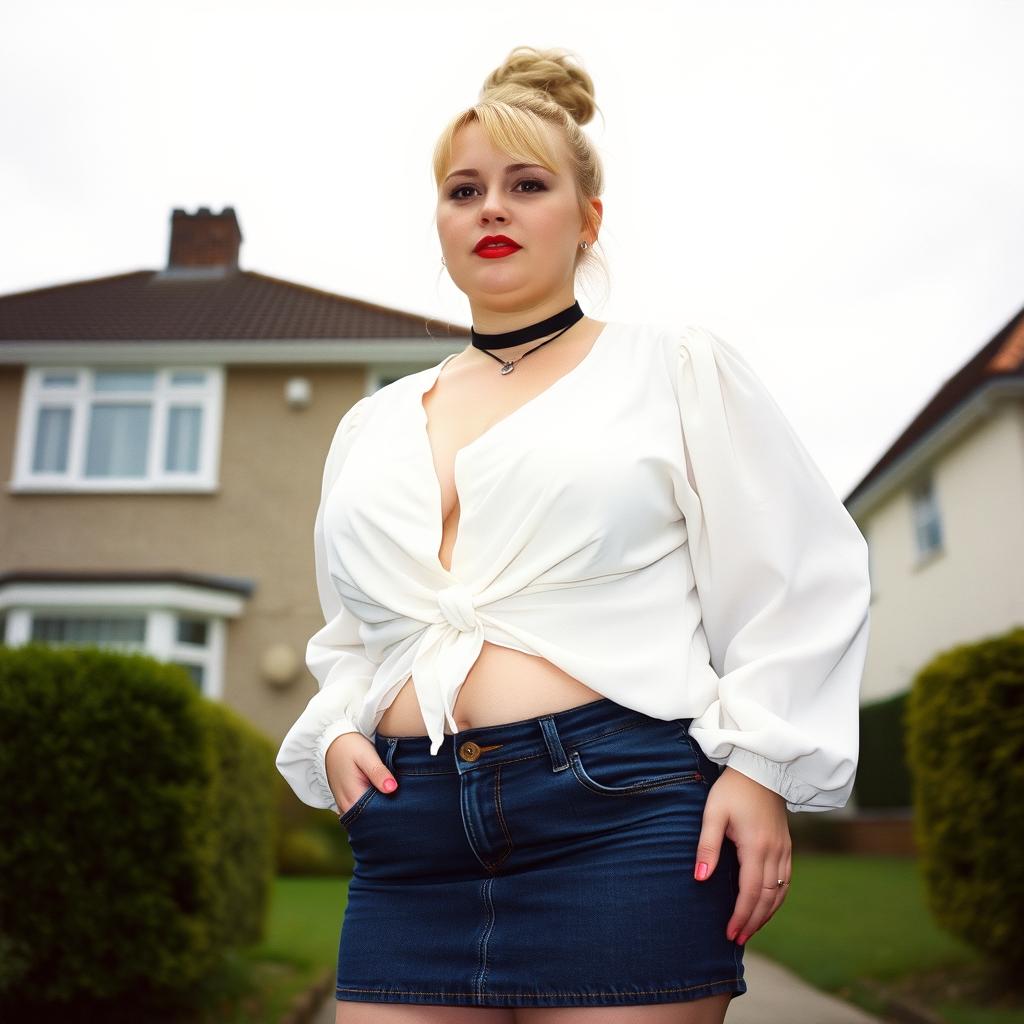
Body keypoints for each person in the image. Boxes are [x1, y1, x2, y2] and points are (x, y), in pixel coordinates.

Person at [276, 45, 872, 1024]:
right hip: (407, 840)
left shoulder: (673, 370)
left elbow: (798, 572)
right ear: (440, 221)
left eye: (526, 184)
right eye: (464, 188)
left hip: (620, 817)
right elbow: (355, 631)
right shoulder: (370, 424)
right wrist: (338, 722)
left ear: (587, 217)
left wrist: (761, 766)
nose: (492, 208)